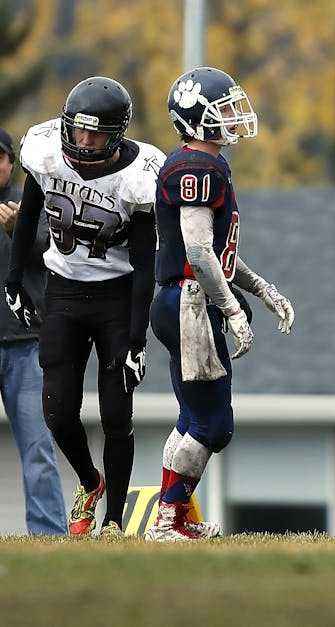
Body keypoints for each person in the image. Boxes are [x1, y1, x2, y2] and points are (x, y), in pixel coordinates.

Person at [6, 77, 164, 538]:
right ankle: (89, 482)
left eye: (95, 134)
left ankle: (114, 521)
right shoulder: (45, 151)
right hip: (63, 290)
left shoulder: (139, 175)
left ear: (116, 134)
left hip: (117, 295)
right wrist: (15, 279)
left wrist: (137, 338)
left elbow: (144, 261)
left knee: (117, 413)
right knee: (56, 410)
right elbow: (30, 212)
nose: (84, 141)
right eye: (77, 131)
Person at [146, 67, 294, 541]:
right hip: (190, 302)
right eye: (222, 109)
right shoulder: (197, 166)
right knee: (214, 425)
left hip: (183, 298)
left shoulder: (207, 164)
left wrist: (262, 290)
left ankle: (177, 517)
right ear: (194, 118)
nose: (233, 117)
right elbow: (198, 250)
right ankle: (167, 517)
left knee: (193, 417)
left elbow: (219, 252)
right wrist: (231, 309)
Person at [0, 127, 67, 535]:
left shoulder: (32, 203)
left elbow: (59, 254)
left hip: (27, 345)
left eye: (1, 156)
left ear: (11, 163)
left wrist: (17, 233)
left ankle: (48, 535)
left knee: (38, 449)